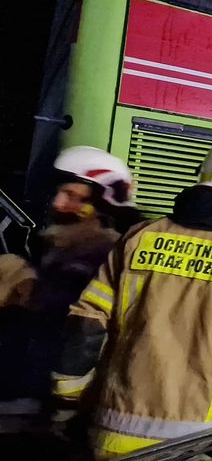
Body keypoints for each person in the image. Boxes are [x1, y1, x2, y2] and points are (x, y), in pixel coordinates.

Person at [50, 132, 212, 459]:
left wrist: (66, 405)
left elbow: (85, 330)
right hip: (204, 444)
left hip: (112, 434)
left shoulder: (140, 237)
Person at [0, 146, 139, 404]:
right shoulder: (63, 247)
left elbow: (68, 318)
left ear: (102, 204)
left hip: (53, 399)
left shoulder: (102, 254)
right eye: (60, 193)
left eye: (72, 196)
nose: (58, 204)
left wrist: (21, 283)